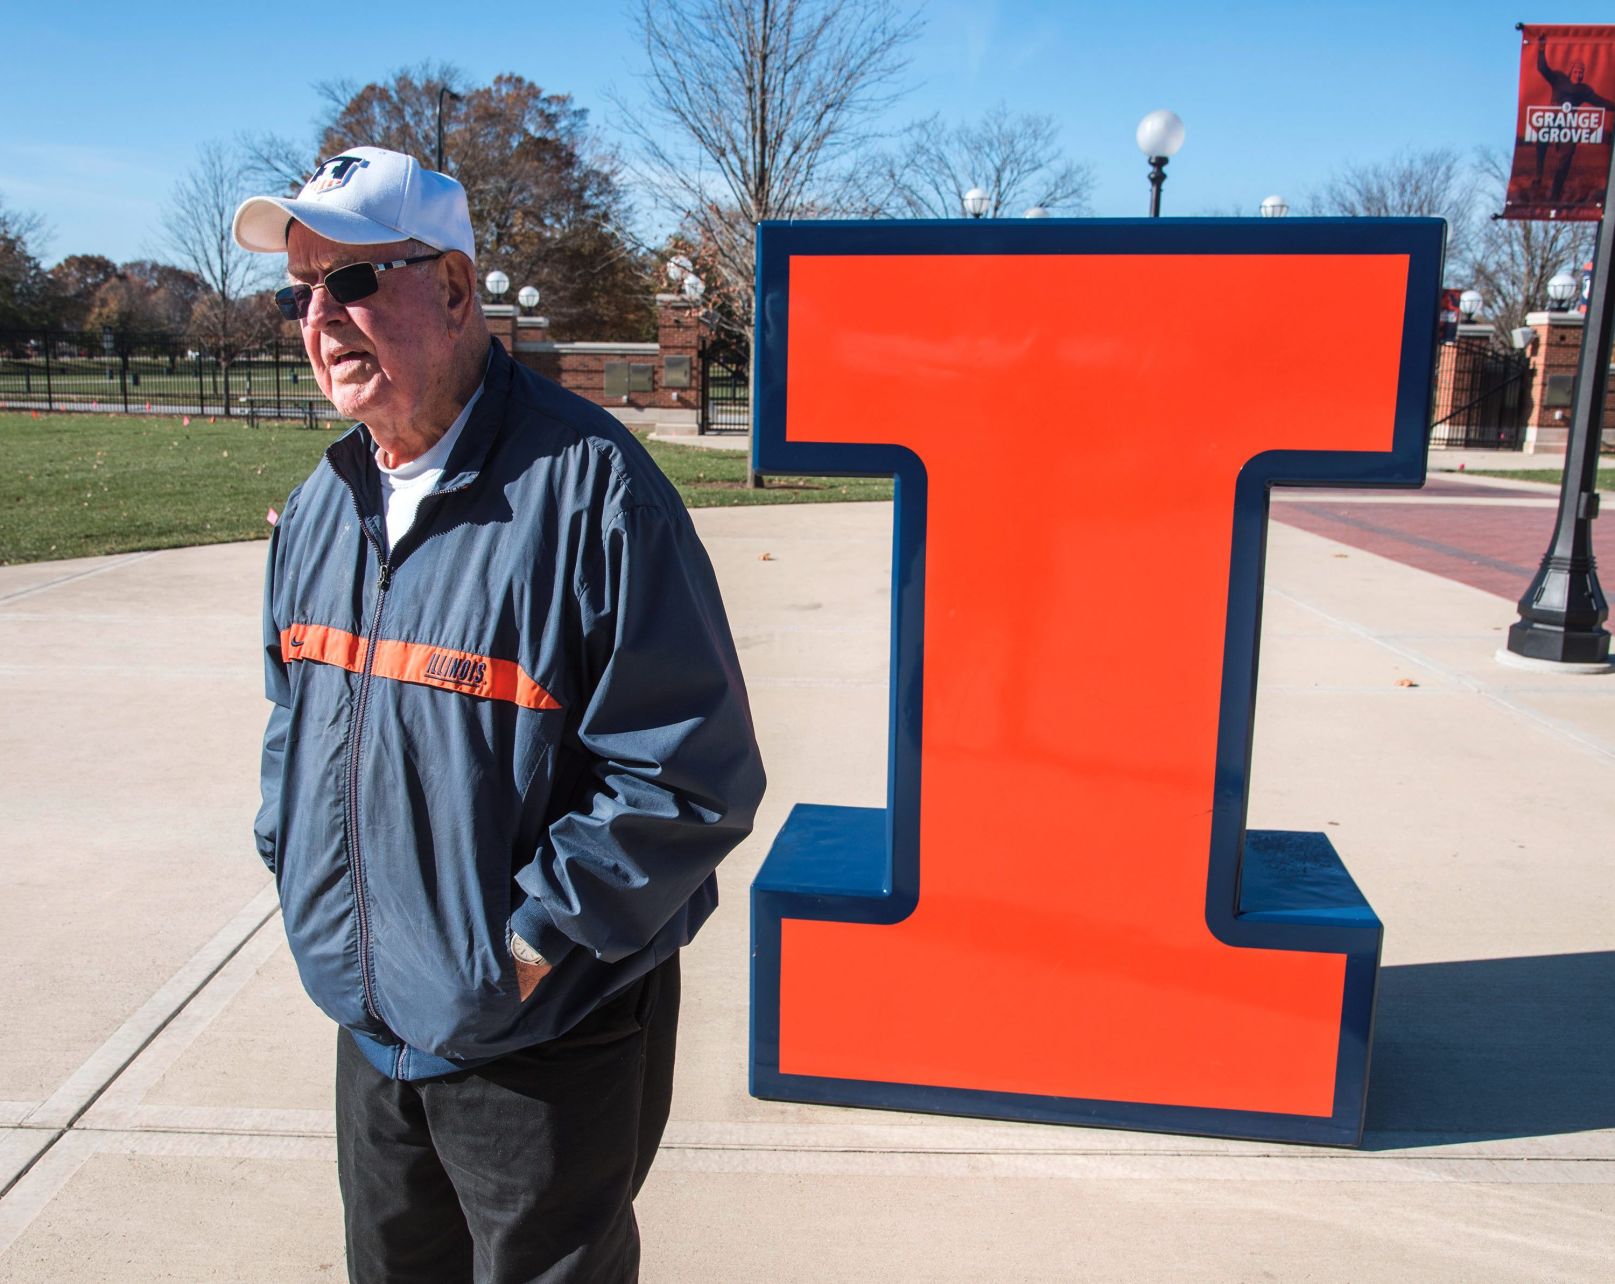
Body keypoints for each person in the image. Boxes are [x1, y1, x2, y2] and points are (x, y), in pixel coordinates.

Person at [234, 146, 766, 1283]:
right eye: (299, 290)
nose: (320, 319)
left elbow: (689, 777)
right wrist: (297, 872)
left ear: (460, 290)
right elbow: (292, 715)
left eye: (356, 282)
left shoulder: (593, 492)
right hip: (371, 1021)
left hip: (539, 1041)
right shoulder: (327, 505)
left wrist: (523, 949)